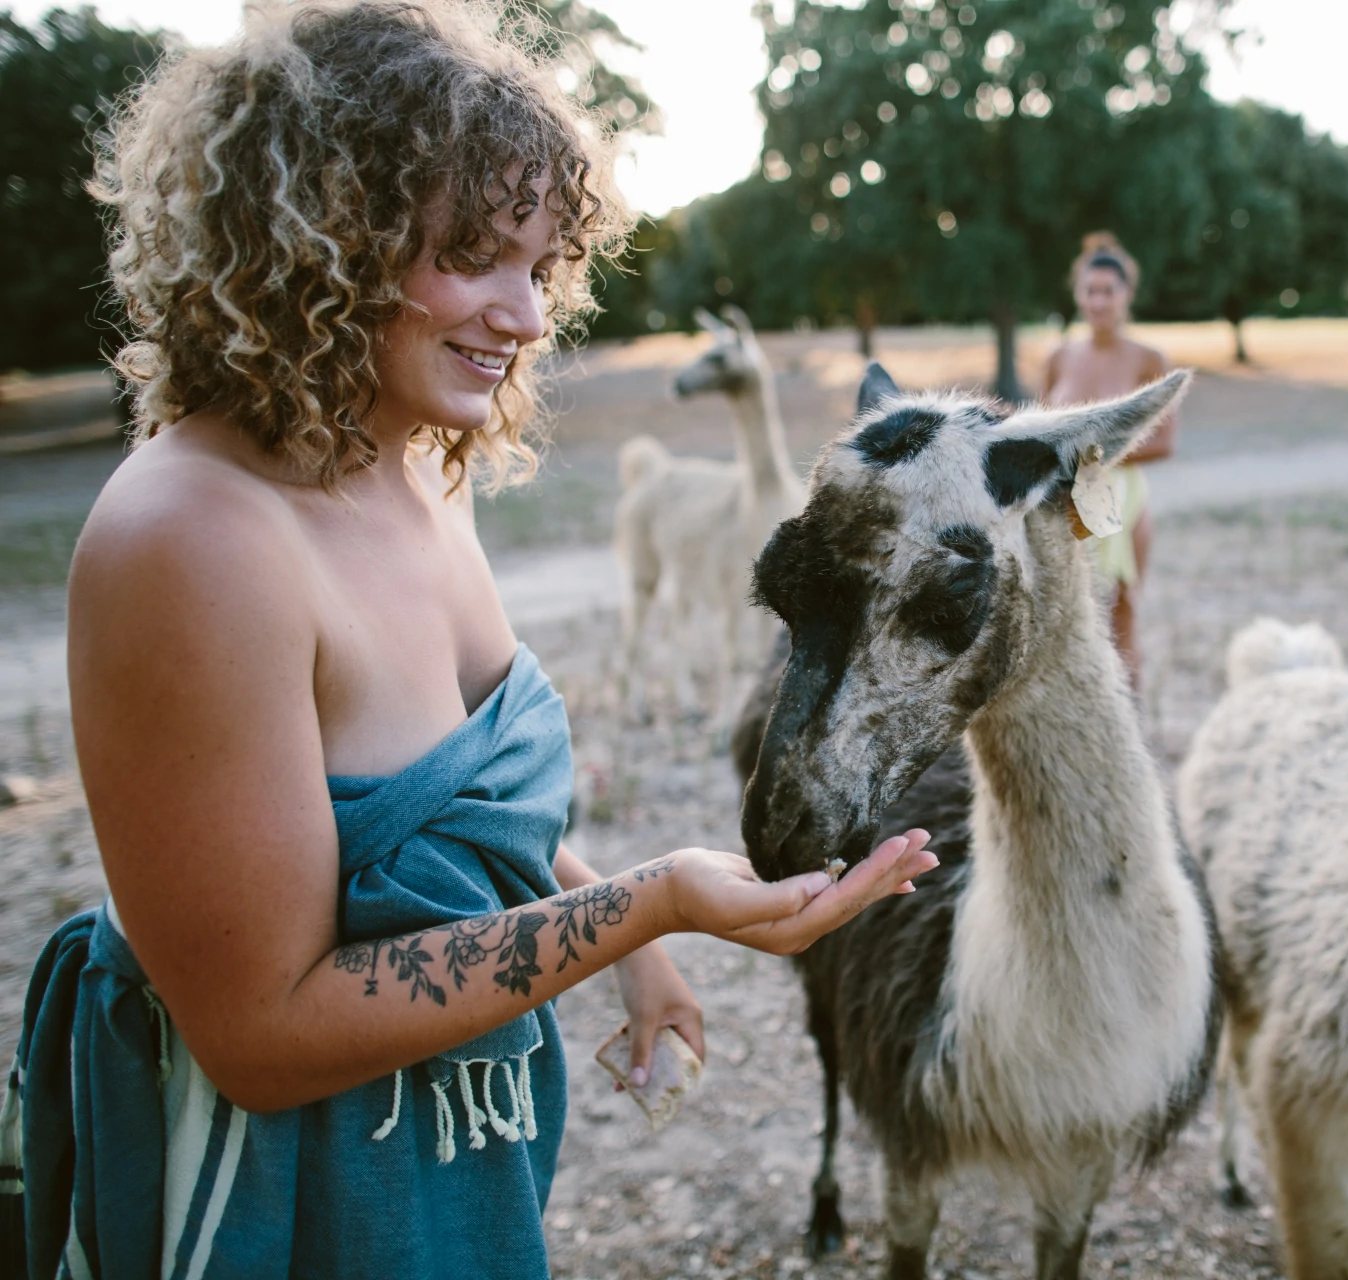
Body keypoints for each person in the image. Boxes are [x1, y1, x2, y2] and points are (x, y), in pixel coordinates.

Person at [0, 3, 935, 1277]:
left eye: (541, 267)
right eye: (473, 256)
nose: (530, 317)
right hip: (266, 1192)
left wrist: (642, 947)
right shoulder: (191, 541)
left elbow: (477, 798)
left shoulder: (417, 463)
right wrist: (643, 902)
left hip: (444, 1134)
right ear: (319, 234)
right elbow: (260, 1033)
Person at [1039, 233, 1178, 688]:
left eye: (1108, 291)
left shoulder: (1147, 359)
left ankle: (1129, 706)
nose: (1098, 301)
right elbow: (1044, 431)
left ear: (1125, 295)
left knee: (1123, 605)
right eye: (1090, 291)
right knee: (1059, 607)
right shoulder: (1059, 357)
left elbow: (1164, 442)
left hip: (1119, 490)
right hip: (1063, 494)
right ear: (1078, 295)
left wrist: (1094, 457)